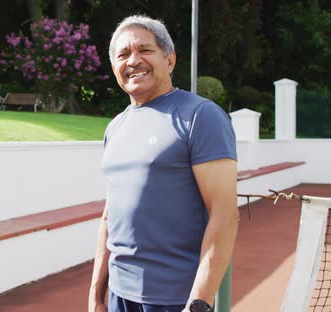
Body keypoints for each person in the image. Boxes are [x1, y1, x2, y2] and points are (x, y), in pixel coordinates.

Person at [88, 15, 238, 312]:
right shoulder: (115, 127)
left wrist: (199, 303)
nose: (133, 60)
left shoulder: (201, 116)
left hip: (175, 299)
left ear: (169, 60)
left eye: (144, 50)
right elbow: (110, 216)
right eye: (123, 54)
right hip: (120, 294)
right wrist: (96, 296)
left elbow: (224, 215)